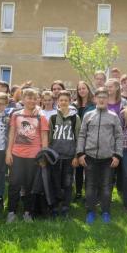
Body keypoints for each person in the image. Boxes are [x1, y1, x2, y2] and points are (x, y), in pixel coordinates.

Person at [76, 87, 123, 224]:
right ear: (95, 99)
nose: (102, 99)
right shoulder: (88, 115)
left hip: (108, 159)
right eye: (99, 97)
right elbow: (82, 135)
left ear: (108, 99)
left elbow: (119, 137)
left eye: (104, 97)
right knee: (90, 186)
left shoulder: (113, 116)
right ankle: (90, 211)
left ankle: (106, 211)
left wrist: (117, 155)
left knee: (106, 187)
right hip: (89, 157)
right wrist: (80, 153)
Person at [5, 88, 50, 223]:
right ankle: (11, 212)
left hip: (34, 156)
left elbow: (44, 136)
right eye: (28, 98)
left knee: (30, 185)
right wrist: (8, 152)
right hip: (17, 154)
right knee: (14, 184)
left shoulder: (40, 116)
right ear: (23, 100)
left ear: (38, 100)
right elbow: (12, 133)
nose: (31, 100)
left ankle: (27, 213)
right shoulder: (16, 115)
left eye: (34, 98)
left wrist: (43, 155)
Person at [49, 90, 81, 218]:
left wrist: (76, 156)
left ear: (70, 101)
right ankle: (56, 206)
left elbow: (79, 138)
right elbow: (49, 137)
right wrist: (49, 154)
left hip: (69, 156)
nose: (63, 102)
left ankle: (66, 207)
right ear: (57, 101)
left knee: (67, 182)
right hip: (55, 156)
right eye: (61, 100)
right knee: (55, 181)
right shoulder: (52, 117)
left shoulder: (75, 118)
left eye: (66, 100)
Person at [72, 81, 95, 201]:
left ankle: (89, 192)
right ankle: (78, 191)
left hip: (89, 138)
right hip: (77, 138)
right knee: (79, 167)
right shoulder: (74, 106)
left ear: (88, 89)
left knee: (88, 166)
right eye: (79, 89)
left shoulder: (93, 105)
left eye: (84, 88)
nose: (81, 90)